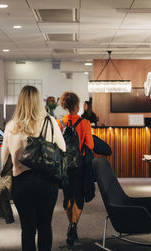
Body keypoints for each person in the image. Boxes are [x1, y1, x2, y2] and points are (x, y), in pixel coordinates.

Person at [1, 85, 66, 251]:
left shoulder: (11, 126)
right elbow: (63, 149)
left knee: (27, 230)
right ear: (39, 102)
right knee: (45, 226)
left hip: (21, 183)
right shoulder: (50, 122)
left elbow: (4, 159)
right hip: (47, 182)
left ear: (20, 102)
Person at [57, 92, 94, 247]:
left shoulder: (60, 123)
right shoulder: (84, 123)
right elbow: (90, 146)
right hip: (79, 166)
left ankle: (72, 226)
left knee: (68, 196)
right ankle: (73, 226)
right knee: (78, 196)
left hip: (65, 166)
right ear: (77, 105)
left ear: (64, 105)